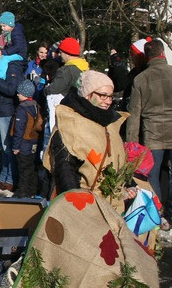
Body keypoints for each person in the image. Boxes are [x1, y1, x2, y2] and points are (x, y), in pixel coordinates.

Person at [125, 40, 172, 227]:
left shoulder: (140, 79)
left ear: (147, 56)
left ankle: (156, 212)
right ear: (163, 53)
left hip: (153, 133)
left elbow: (134, 114)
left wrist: (131, 141)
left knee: (152, 175)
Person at [45, 70, 131, 204]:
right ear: (87, 94)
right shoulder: (69, 122)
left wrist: (129, 185)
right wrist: (76, 200)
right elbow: (65, 168)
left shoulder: (110, 122)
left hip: (111, 205)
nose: (108, 101)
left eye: (110, 96)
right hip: (83, 204)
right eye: (103, 96)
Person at [0, 43, 25, 194]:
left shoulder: (11, 66)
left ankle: (10, 179)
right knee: (1, 148)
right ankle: (3, 177)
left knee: (8, 148)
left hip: (6, 110)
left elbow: (11, 89)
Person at [10, 79, 43, 199]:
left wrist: (16, 146)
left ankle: (22, 191)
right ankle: (32, 190)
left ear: (24, 94)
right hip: (33, 141)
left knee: (23, 168)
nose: (17, 95)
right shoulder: (35, 105)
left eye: (19, 93)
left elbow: (19, 129)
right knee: (31, 167)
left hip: (23, 143)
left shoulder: (22, 109)